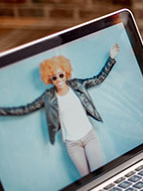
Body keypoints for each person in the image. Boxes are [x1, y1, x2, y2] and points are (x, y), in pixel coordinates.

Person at [0, 45, 120, 177]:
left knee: (99, 174)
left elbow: (98, 79)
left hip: (89, 136)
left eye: (60, 75)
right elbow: (26, 109)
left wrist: (111, 58)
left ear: (66, 73)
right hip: (72, 144)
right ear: (49, 79)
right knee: (86, 179)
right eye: (54, 77)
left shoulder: (77, 85)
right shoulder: (48, 96)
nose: (58, 80)